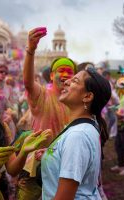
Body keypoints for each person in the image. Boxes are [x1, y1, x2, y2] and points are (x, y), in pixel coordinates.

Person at [17, 27, 77, 200]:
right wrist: (31, 50)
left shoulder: (76, 103)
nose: (65, 74)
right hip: (34, 168)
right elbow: (28, 83)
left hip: (62, 167)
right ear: (51, 76)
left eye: (70, 71)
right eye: (61, 71)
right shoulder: (42, 95)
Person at [40, 65, 111, 199]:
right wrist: (53, 155)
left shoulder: (78, 136)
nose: (66, 81)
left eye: (75, 81)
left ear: (87, 96)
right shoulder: (83, 128)